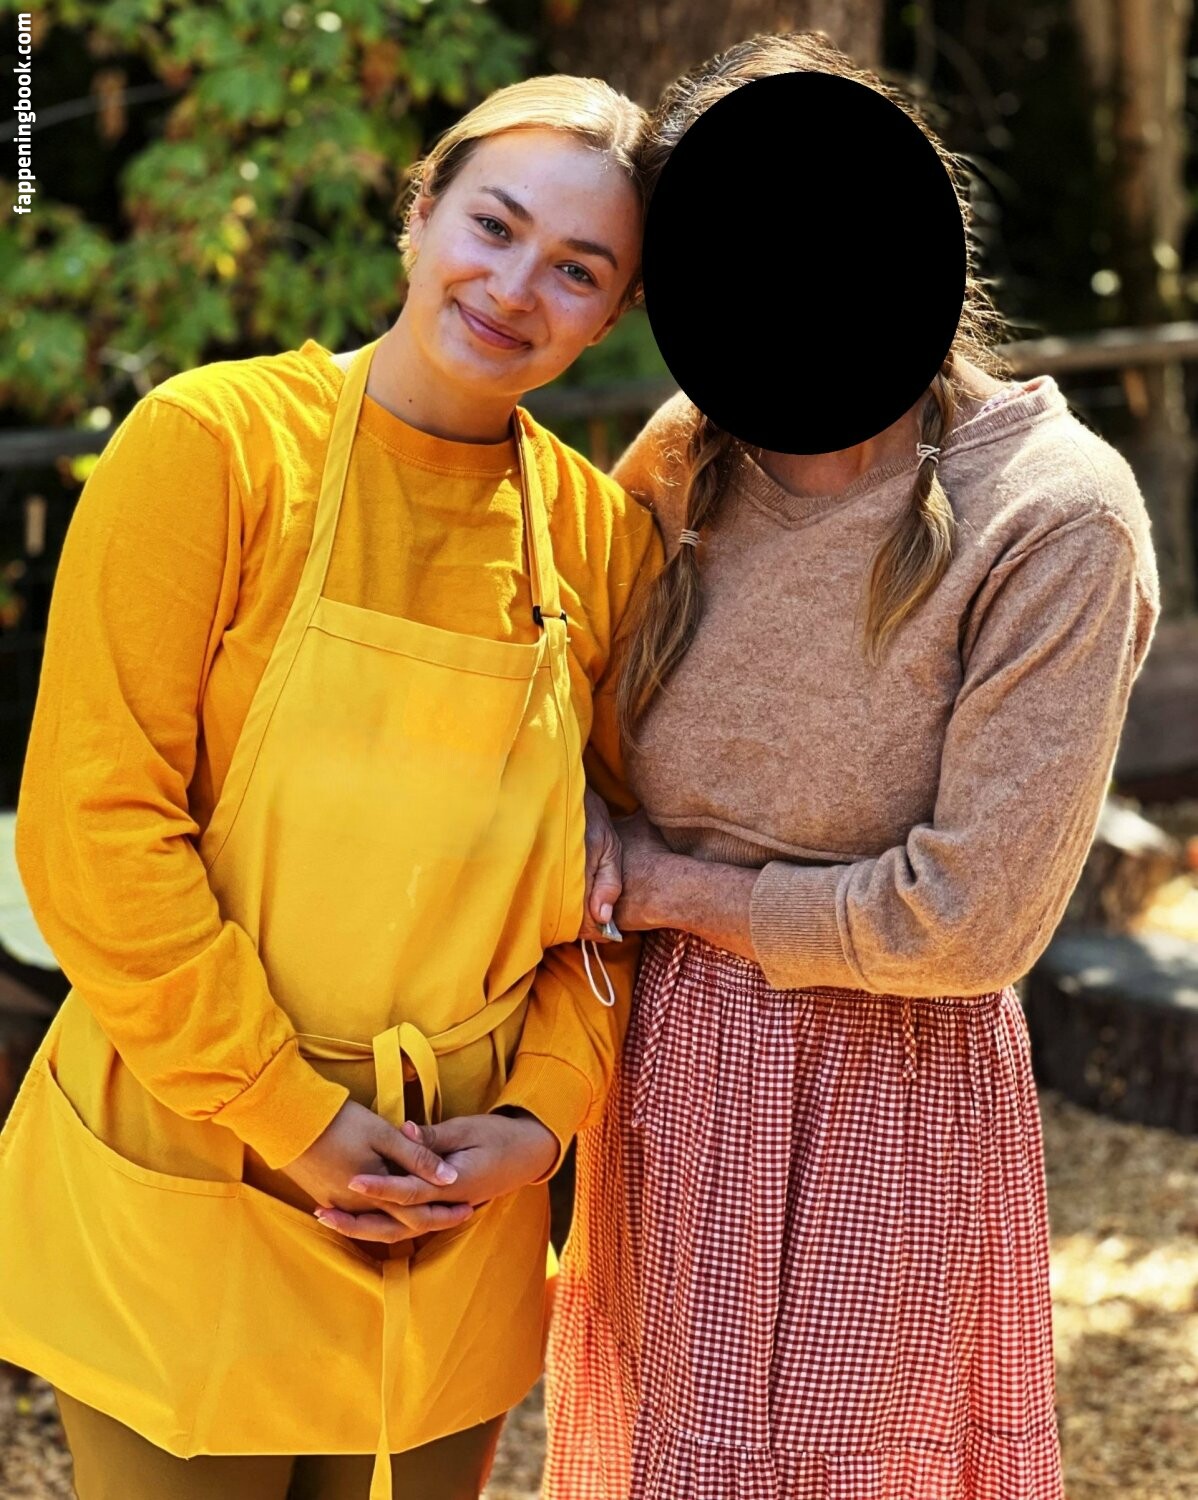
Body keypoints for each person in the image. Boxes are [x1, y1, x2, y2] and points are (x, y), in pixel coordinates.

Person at [0, 74, 661, 1500]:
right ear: (419, 216)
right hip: (196, 1152)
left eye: (577, 270)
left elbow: (612, 891)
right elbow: (96, 828)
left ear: (612, 316)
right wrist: (293, 1117)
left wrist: (538, 1119)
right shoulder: (215, 446)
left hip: (454, 1201)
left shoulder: (602, 541)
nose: (515, 288)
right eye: (492, 226)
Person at [543, 32, 1159, 1500]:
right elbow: (564, 719)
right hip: (665, 1075)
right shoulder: (686, 458)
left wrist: (672, 889)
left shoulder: (1052, 516)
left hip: (884, 1094)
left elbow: (970, 920)